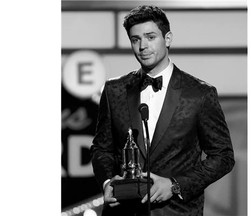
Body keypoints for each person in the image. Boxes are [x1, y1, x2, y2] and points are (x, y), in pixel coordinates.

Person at [90, 5, 235, 216]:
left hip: (176, 211)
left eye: (150, 37)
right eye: (135, 39)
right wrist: (107, 181)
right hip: (124, 210)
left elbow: (223, 156)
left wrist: (175, 185)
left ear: (167, 38)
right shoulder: (114, 91)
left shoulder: (199, 93)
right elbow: (101, 149)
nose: (142, 46)